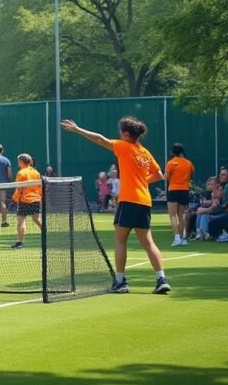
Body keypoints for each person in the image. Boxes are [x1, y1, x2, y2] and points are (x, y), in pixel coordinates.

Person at [61, 117, 170, 294]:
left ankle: (120, 282)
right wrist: (141, 182)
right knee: (149, 243)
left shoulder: (123, 146)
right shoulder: (144, 152)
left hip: (129, 200)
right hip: (144, 201)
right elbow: (159, 174)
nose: (119, 135)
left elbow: (100, 139)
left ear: (126, 134)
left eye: (121, 132)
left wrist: (78, 129)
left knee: (120, 241)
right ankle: (161, 279)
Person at [165, 143, 195, 247]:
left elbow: (166, 177)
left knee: (172, 215)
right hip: (184, 190)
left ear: (173, 152)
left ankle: (177, 237)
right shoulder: (188, 163)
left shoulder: (170, 163)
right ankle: (182, 238)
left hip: (173, 190)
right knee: (181, 215)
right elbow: (192, 175)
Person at [10, 154, 42, 249]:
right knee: (37, 219)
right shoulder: (36, 172)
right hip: (36, 199)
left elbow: (19, 189)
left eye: (19, 161)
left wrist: (14, 199)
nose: (18, 163)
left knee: (21, 221)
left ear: (22, 162)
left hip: (24, 200)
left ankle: (20, 242)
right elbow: (40, 187)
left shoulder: (21, 173)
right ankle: (46, 233)